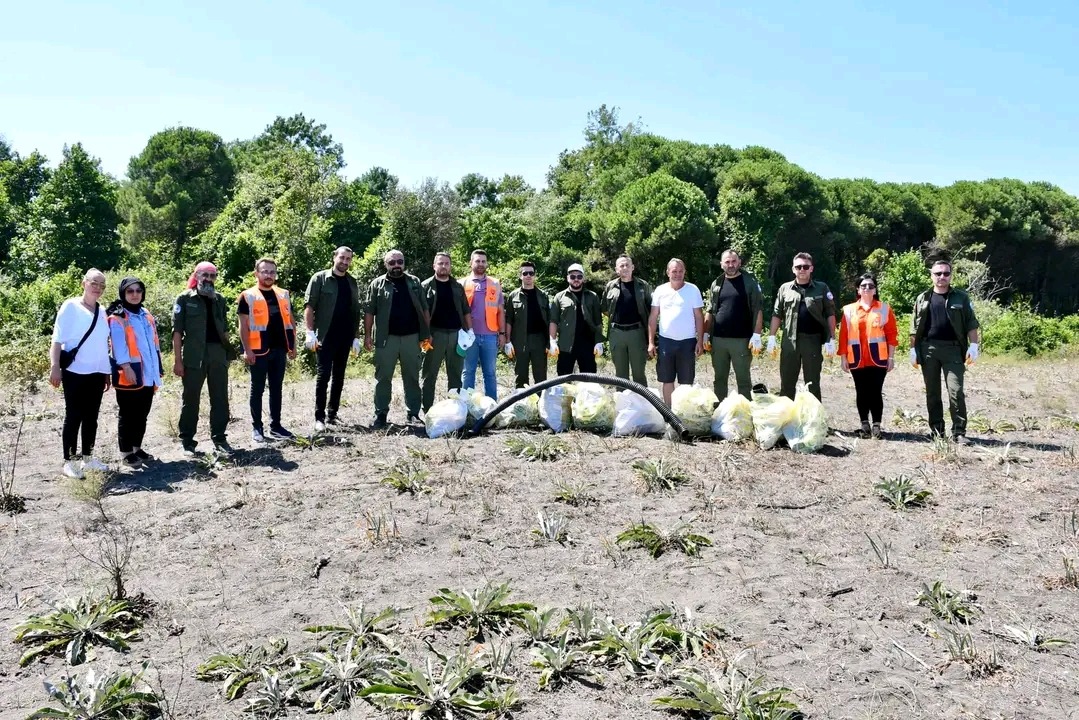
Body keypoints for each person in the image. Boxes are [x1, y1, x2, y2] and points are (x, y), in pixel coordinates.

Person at [909, 259, 981, 443]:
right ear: (931, 275)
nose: (942, 277)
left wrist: (974, 345)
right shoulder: (923, 298)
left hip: (953, 350)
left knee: (956, 391)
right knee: (932, 392)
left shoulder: (961, 298)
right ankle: (936, 431)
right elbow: (914, 327)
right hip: (928, 349)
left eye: (946, 273)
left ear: (951, 275)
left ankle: (959, 432)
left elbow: (971, 323)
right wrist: (912, 349)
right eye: (938, 273)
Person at [49, 268, 112, 478]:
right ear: (84, 283)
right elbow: (57, 339)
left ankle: (88, 458)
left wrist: (106, 371)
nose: (98, 288)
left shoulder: (102, 311)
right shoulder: (71, 306)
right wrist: (55, 366)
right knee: (74, 415)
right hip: (75, 372)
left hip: (96, 372)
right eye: (94, 283)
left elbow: (102, 343)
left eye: (101, 285)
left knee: (91, 417)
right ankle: (69, 461)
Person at [173, 261, 235, 457]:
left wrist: (229, 354)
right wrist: (177, 361)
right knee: (191, 399)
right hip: (193, 355)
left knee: (220, 398)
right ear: (196, 276)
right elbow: (177, 333)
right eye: (204, 275)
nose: (208, 279)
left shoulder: (220, 299)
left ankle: (219, 438)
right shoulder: (184, 299)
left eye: (212, 275)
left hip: (217, 354)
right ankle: (188, 442)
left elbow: (224, 329)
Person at [364, 249, 431, 428]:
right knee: (383, 378)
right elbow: (369, 311)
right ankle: (380, 414)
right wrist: (367, 336)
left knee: (412, 377)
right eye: (392, 262)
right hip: (386, 339)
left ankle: (413, 413)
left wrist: (426, 334)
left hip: (412, 338)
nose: (396, 266)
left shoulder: (414, 282)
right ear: (386, 264)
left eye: (399, 262)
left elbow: (424, 309)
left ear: (404, 263)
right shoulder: (377, 284)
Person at [239, 258, 298, 443]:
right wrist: (247, 350)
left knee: (276, 388)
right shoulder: (247, 296)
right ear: (256, 273)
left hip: (280, 348)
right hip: (258, 350)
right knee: (257, 389)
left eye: (272, 272)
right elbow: (243, 326)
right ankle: (257, 428)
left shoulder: (283, 294)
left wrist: (293, 345)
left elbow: (291, 321)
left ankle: (276, 426)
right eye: (264, 271)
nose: (268, 275)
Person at [304, 246, 362, 432]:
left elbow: (355, 311)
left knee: (339, 376)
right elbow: (309, 306)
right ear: (334, 257)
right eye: (342, 258)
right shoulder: (320, 278)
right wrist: (309, 332)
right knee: (323, 376)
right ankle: (319, 417)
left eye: (348, 259)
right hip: (325, 336)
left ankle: (332, 414)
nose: (345, 262)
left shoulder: (352, 282)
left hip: (345, 337)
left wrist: (356, 337)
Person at [107, 277, 163, 468]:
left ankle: (137, 447)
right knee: (128, 414)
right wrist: (126, 367)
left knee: (142, 413)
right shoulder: (118, 316)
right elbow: (118, 344)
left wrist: (157, 369)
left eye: (138, 290)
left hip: (148, 372)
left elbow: (153, 344)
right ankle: (126, 452)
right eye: (130, 291)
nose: (134, 294)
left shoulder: (145, 314)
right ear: (123, 293)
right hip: (130, 372)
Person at [767, 252, 837, 402]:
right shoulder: (785, 288)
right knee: (787, 383)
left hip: (812, 340)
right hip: (789, 341)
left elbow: (830, 313)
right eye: (798, 267)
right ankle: (786, 419)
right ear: (793, 269)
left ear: (811, 268)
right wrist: (772, 337)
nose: (802, 269)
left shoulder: (821, 288)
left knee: (812, 384)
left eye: (805, 266)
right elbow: (777, 314)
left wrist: (832, 337)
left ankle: (813, 421)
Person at [838, 273, 898, 439]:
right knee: (861, 391)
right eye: (863, 286)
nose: (867, 288)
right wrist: (843, 357)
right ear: (858, 289)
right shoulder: (849, 310)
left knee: (876, 391)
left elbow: (892, 335)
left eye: (870, 286)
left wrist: (891, 358)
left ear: (875, 289)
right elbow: (843, 335)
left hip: (878, 357)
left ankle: (877, 425)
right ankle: (864, 425)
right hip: (856, 357)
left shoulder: (884, 309)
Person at [703, 249, 764, 400]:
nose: (731, 265)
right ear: (722, 264)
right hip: (718, 340)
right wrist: (705, 333)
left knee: (743, 380)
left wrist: (756, 335)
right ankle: (720, 414)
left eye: (733, 261)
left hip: (741, 340)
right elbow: (710, 309)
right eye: (727, 262)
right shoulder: (716, 283)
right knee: (719, 379)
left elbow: (758, 309)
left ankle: (745, 413)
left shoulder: (749, 283)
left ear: (739, 262)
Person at [647, 258, 705, 405]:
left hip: (688, 342)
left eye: (680, 271)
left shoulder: (693, 290)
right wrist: (651, 342)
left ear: (684, 272)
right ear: (668, 272)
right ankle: (669, 414)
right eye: (674, 271)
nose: (677, 274)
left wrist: (700, 340)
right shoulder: (660, 290)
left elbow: (699, 316)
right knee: (667, 380)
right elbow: (653, 317)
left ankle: (683, 413)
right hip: (666, 342)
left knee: (686, 382)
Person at [421, 252, 472, 412]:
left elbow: (465, 310)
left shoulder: (457, 287)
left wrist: (470, 331)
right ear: (434, 266)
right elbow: (421, 312)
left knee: (455, 375)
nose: (443, 266)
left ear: (450, 266)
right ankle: (427, 410)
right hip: (434, 336)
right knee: (429, 374)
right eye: (440, 263)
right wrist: (424, 334)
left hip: (456, 336)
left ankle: (455, 410)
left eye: (446, 264)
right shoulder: (425, 286)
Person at [461, 249, 506, 399]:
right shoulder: (462, 283)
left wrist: (502, 334)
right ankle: (467, 405)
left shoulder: (495, 283)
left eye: (483, 261)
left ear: (486, 264)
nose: (480, 264)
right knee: (468, 372)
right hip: (469, 336)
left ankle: (492, 407)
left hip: (490, 335)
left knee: (490, 373)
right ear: (471, 263)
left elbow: (500, 311)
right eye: (477, 261)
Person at [602, 254, 652, 386]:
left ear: (633, 267)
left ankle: (642, 403)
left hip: (637, 332)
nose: (625, 268)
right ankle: (622, 403)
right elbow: (605, 309)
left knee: (639, 373)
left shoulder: (643, 286)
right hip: (616, 333)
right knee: (620, 374)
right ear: (617, 269)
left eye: (627, 265)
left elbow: (650, 309)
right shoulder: (610, 286)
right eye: (621, 265)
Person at [550, 263, 604, 375]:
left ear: (583, 278)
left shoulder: (592, 296)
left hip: (588, 345)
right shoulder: (559, 297)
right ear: (567, 278)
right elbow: (553, 321)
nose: (576, 279)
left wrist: (599, 342)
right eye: (572, 277)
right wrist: (552, 341)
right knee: (563, 380)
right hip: (566, 345)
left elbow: (598, 322)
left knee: (590, 380)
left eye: (579, 276)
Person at [504, 260, 551, 388]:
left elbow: (550, 320)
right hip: (520, 341)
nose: (528, 276)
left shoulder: (543, 296)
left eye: (531, 273)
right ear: (520, 276)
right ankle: (522, 405)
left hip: (539, 341)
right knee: (521, 377)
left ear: (535, 275)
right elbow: (508, 320)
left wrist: (551, 341)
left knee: (541, 377)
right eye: (525, 273)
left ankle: (540, 404)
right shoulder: (513, 296)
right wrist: (507, 341)